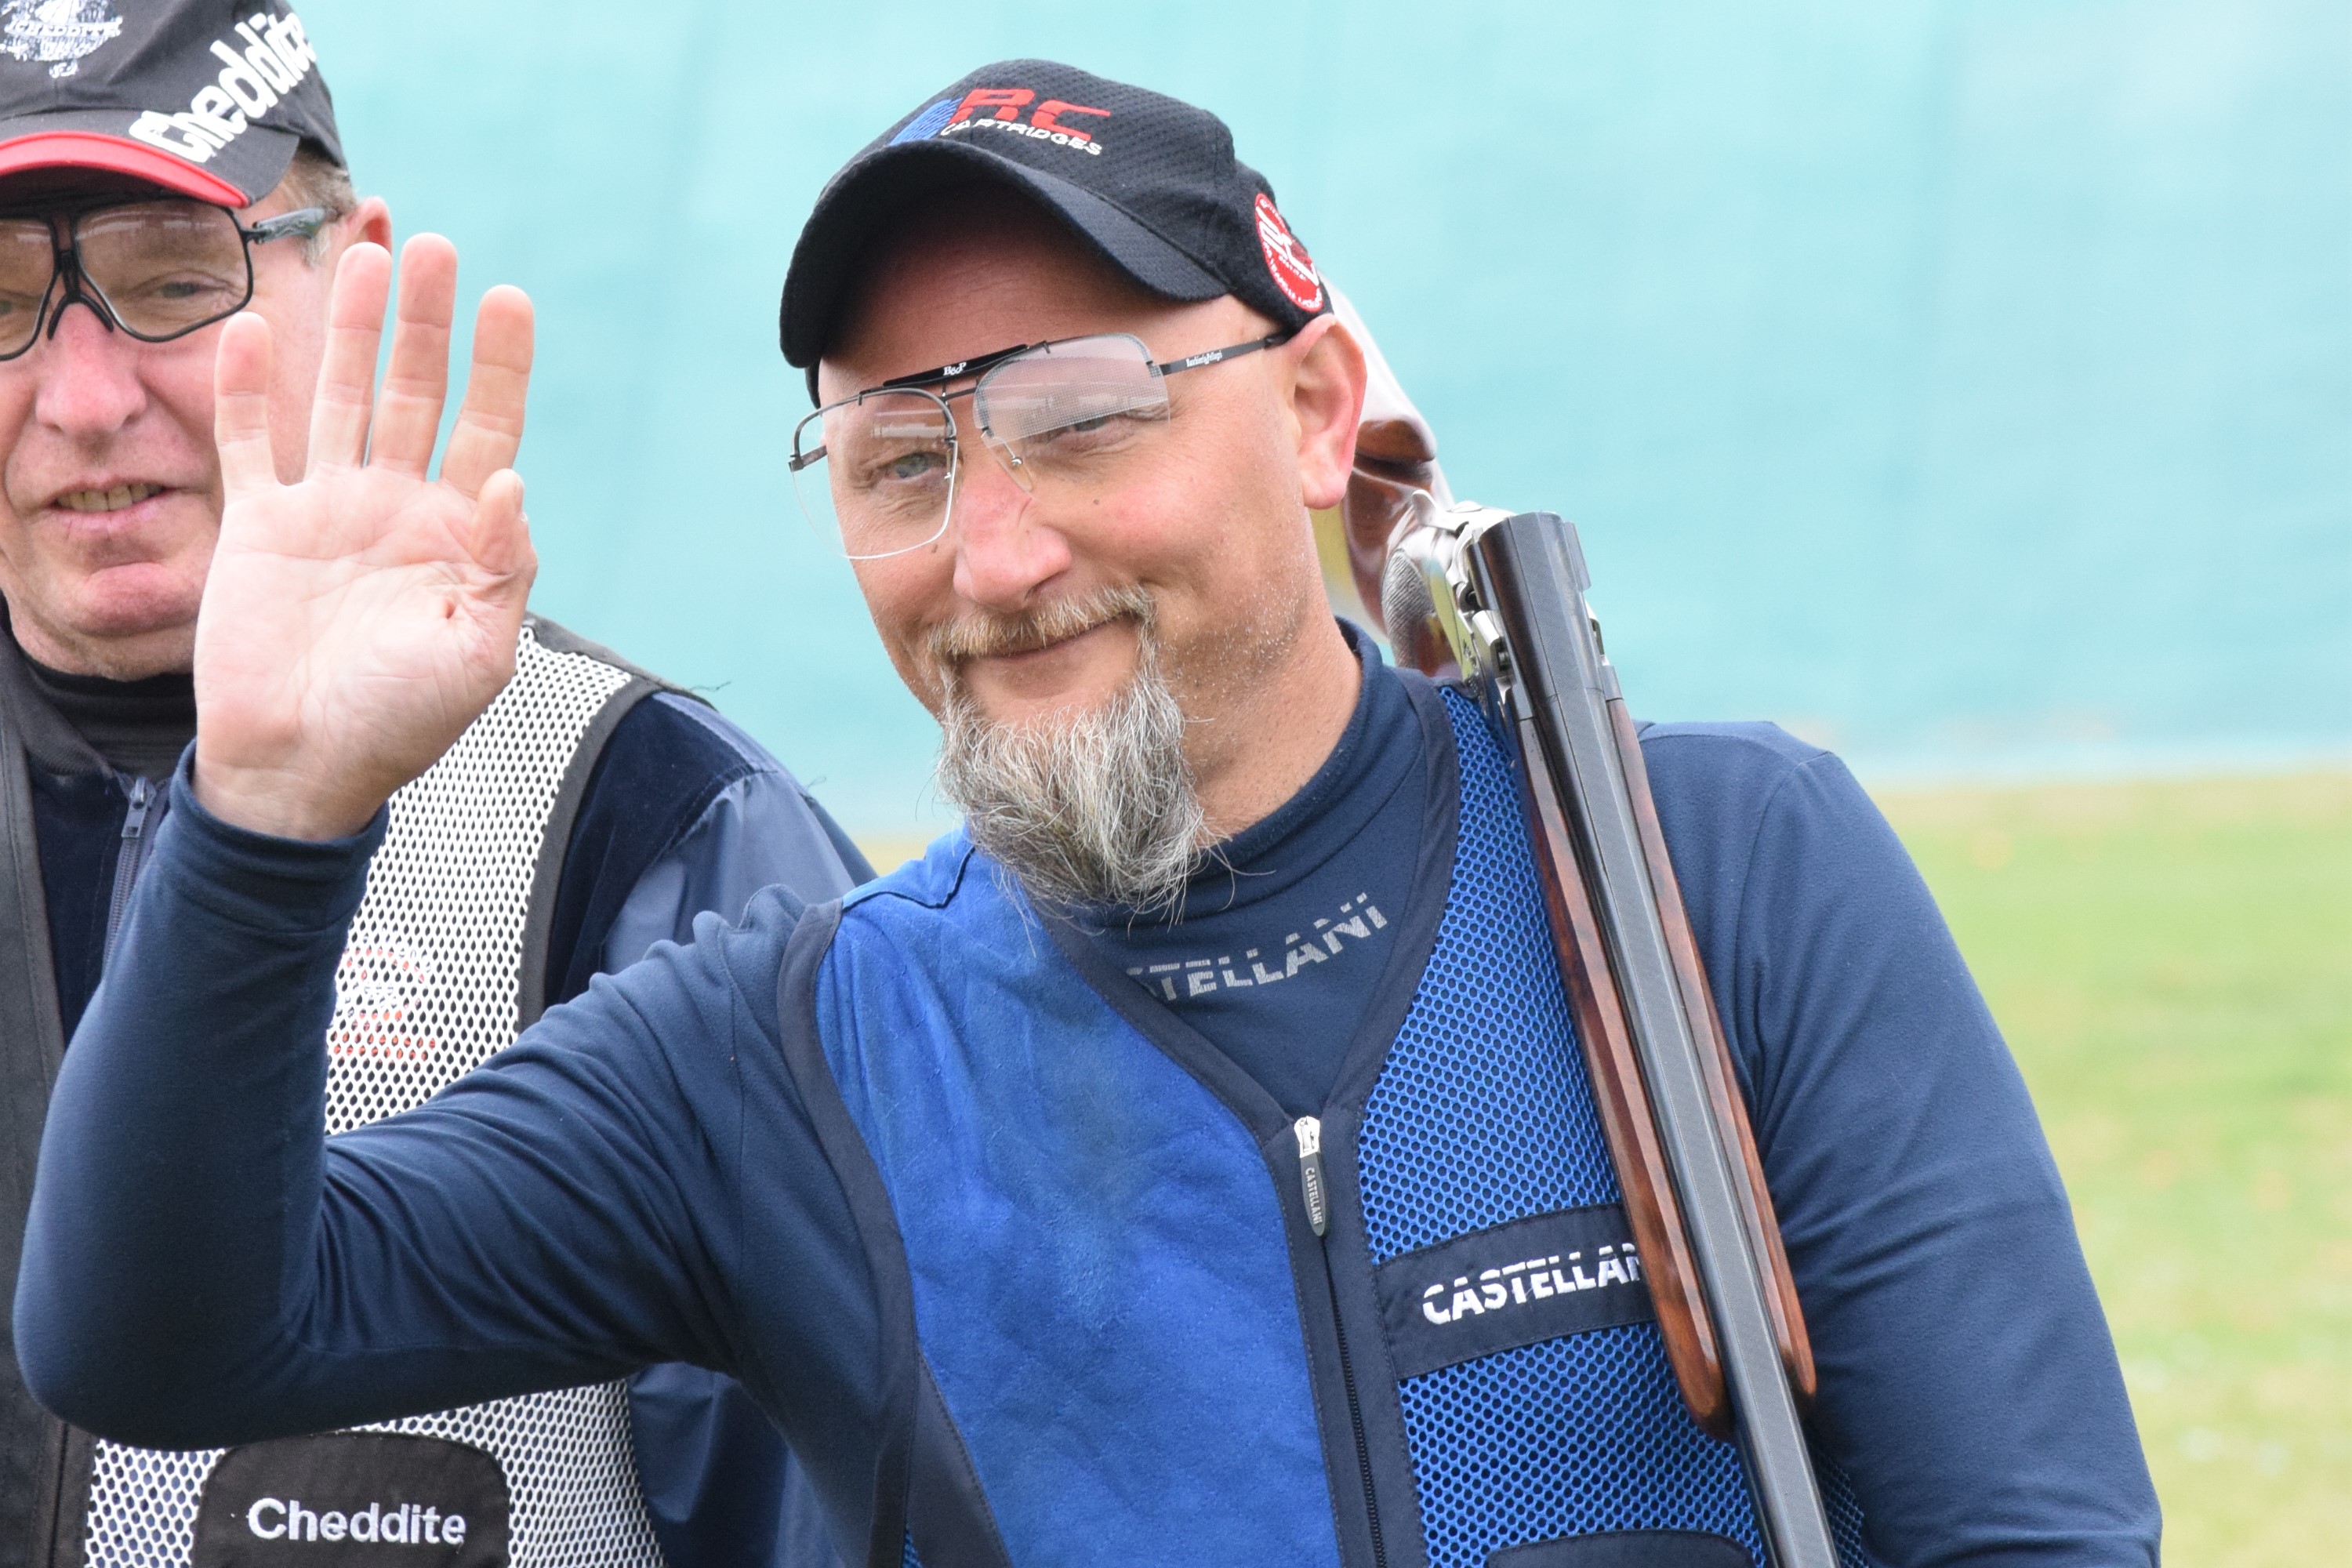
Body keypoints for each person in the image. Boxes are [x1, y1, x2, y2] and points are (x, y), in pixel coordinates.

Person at [16, 58, 2162, 1568]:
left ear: (1316, 413)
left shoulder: (1711, 868)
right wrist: (271, 808)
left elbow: (2034, 1534)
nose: (998, 552)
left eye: (1083, 417)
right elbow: (157, 1339)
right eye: (903, 460)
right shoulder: (781, 1057)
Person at [0, 5, 866, 1566]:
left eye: (173, 282)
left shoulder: (649, 822)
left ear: (357, 267)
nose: (81, 397)